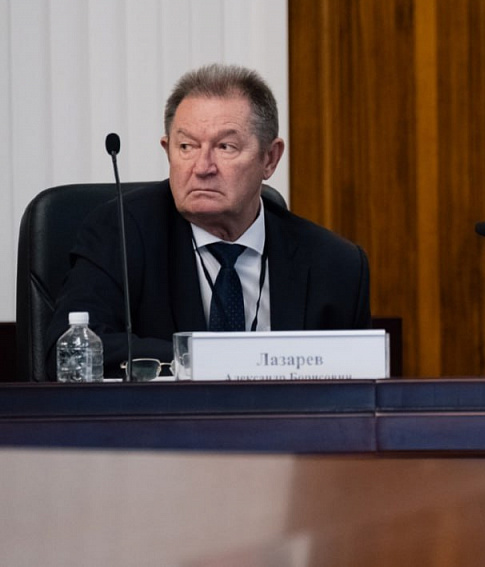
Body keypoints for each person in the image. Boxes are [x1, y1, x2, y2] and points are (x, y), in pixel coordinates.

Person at [45, 64, 370, 379]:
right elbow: (71, 352)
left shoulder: (336, 266)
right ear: (168, 150)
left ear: (270, 158)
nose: (202, 167)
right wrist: (214, 361)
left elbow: (357, 390)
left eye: (225, 147)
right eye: (186, 146)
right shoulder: (119, 233)